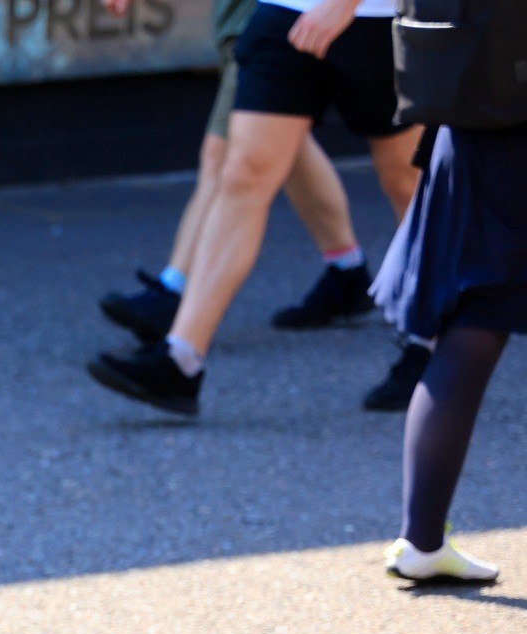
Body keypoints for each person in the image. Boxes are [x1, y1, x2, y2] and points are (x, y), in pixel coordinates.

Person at [88, 0, 422, 417]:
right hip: (283, 10)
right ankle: (181, 359)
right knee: (242, 174)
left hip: (378, 18)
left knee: (405, 181)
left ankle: (430, 345)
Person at [100, 0, 372, 346]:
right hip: (255, 18)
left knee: (225, 154)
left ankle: (176, 293)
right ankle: (347, 270)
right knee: (278, 145)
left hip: (266, 16)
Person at [371, 120, 525, 583]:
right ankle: (422, 540)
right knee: (478, 319)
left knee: (476, 317)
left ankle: (421, 539)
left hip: (468, 127)